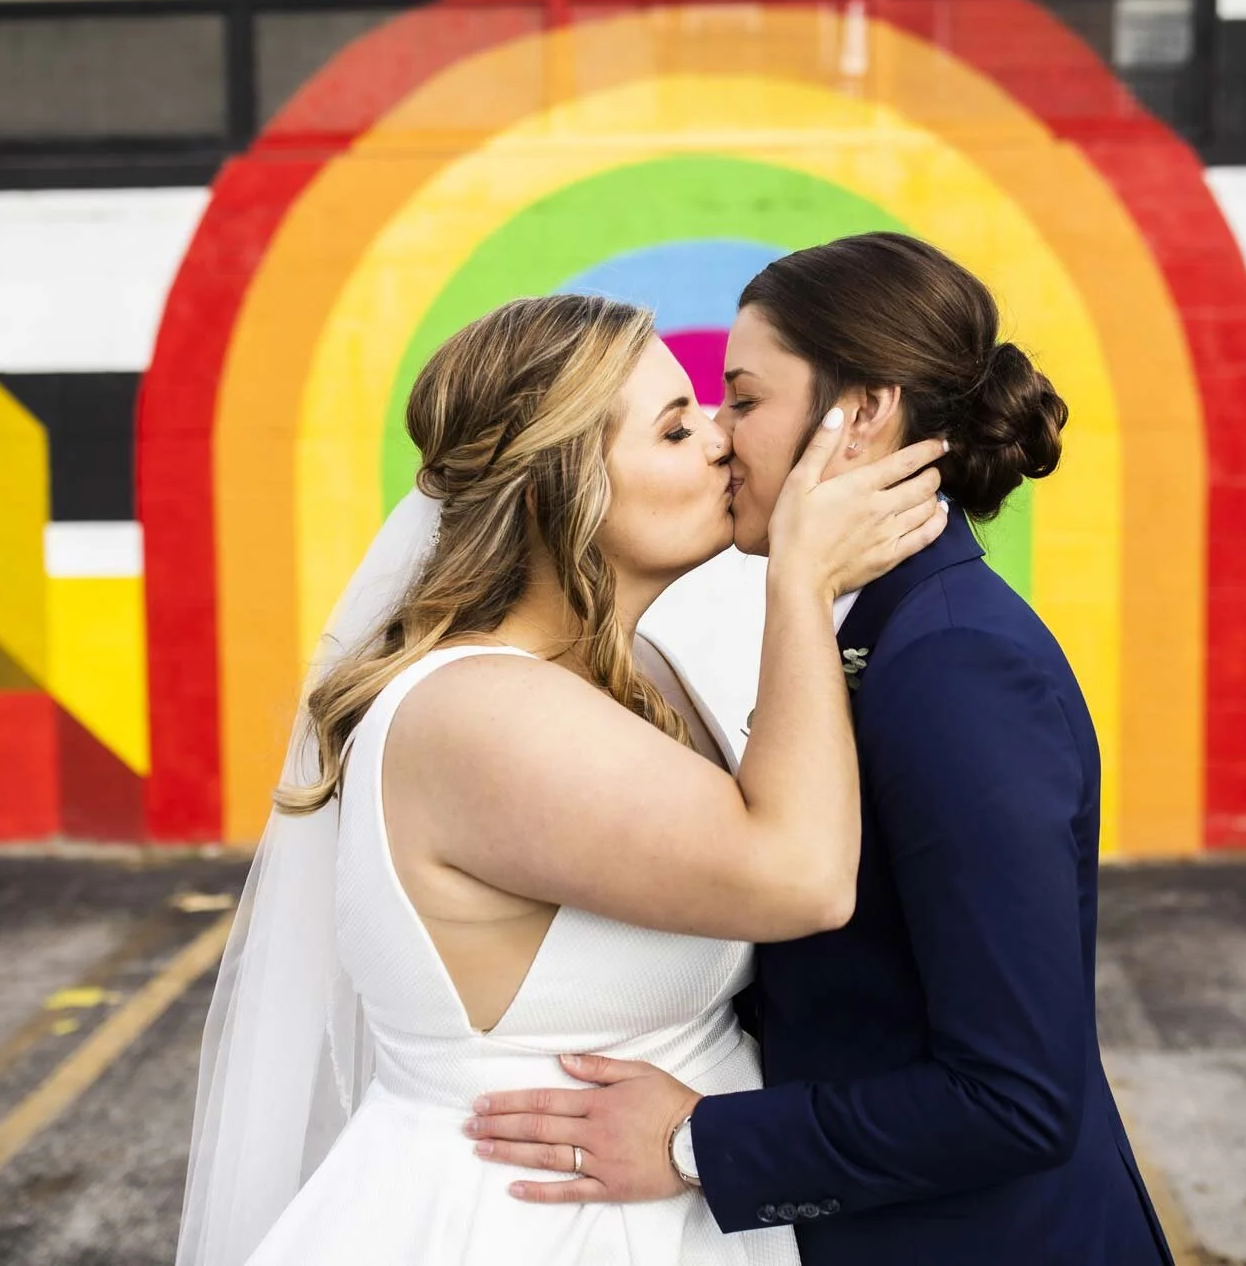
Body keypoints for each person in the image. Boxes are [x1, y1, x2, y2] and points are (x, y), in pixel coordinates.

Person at [176, 291, 948, 1266]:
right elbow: (799, 876)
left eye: (709, 412)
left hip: (663, 1205)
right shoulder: (478, 712)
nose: (719, 442)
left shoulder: (633, 669)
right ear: (555, 490)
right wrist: (798, 581)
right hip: (532, 1220)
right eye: (674, 428)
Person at [467, 233, 1175, 1266]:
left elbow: (1015, 1098)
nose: (718, 436)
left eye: (743, 401)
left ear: (861, 415)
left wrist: (689, 1140)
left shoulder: (955, 663)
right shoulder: (867, 630)